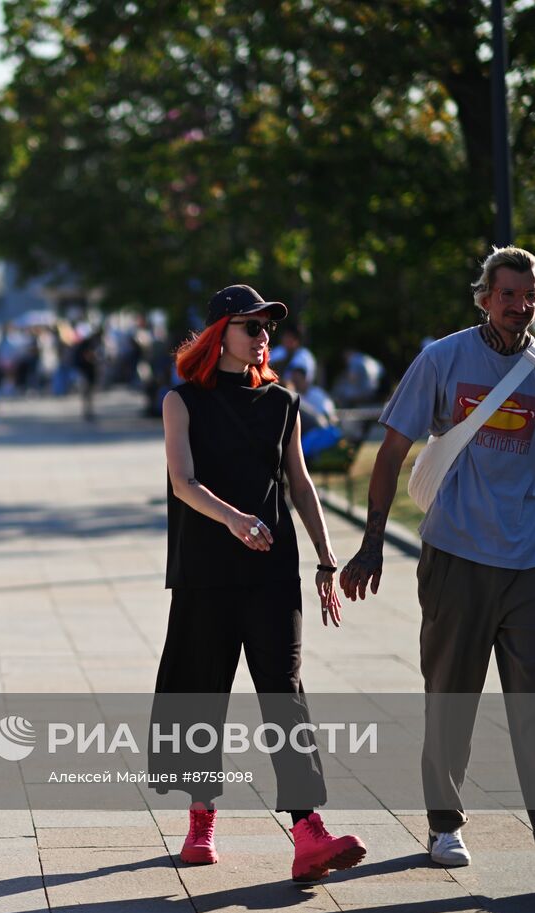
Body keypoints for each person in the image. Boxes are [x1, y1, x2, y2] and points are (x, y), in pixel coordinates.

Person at [340, 246, 535, 886]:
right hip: (455, 556)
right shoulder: (443, 360)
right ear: (485, 297)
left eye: (531, 296)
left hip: (530, 561)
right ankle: (444, 824)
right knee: (451, 697)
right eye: (509, 294)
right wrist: (373, 541)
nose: (520, 306)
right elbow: (391, 454)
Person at [152, 284, 366, 882]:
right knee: (202, 692)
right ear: (221, 332)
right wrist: (236, 520)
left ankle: (307, 830)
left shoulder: (282, 402)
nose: (263, 336)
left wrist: (326, 559)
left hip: (273, 572)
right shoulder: (182, 401)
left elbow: (299, 484)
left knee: (284, 691)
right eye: (252, 325)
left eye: (268, 326)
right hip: (206, 572)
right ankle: (201, 819)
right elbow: (182, 483)